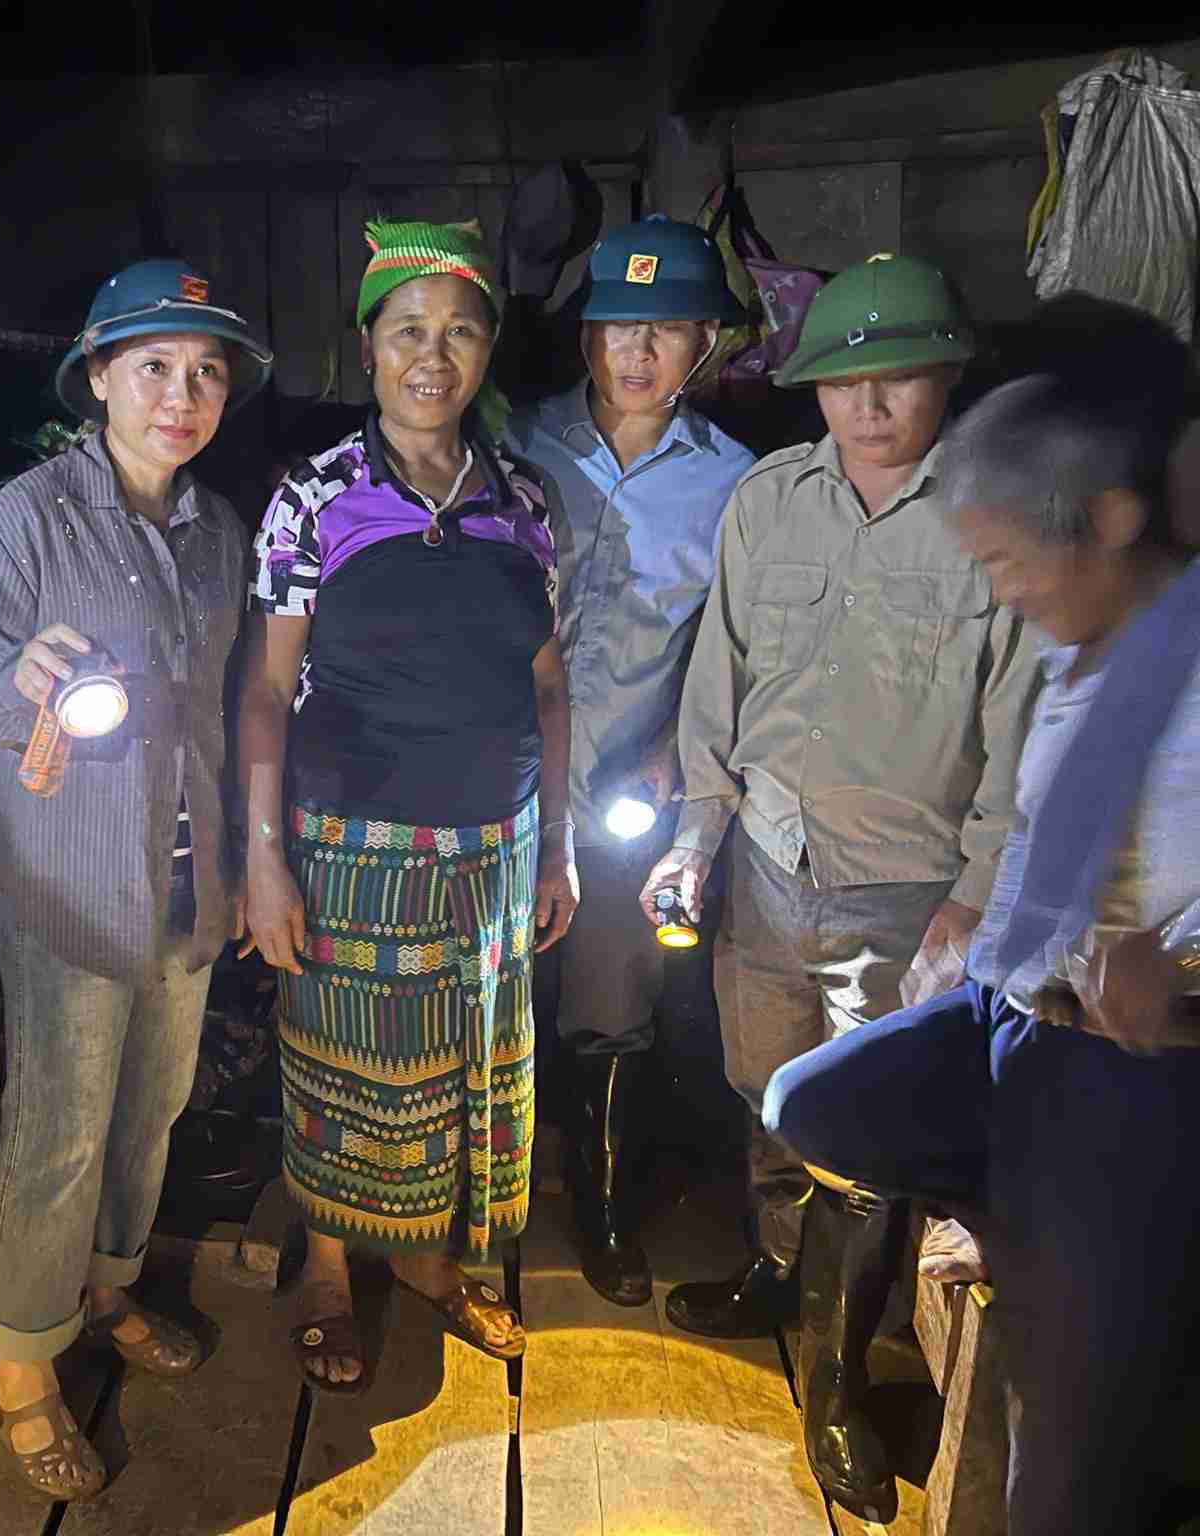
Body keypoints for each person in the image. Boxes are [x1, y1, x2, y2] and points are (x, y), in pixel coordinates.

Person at [765, 357, 1200, 1536]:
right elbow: (1036, 837)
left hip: (1133, 1066)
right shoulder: (1078, 648)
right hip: (1012, 1014)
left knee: (1061, 1461)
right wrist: (982, 948)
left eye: (1009, 562)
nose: (999, 591)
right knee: (813, 1101)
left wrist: (1175, 968)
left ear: (1109, 521)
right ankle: (1003, 1204)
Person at [640, 253, 1038, 1518]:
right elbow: (717, 681)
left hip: (904, 888)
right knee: (766, 1092)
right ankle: (776, 1275)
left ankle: (829, 1384)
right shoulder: (767, 502)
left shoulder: (999, 516)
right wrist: (692, 837)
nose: (868, 406)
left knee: (861, 1141)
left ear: (946, 377)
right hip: (767, 865)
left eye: (899, 378)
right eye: (842, 381)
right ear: (810, 387)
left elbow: (1019, 729)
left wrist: (972, 896)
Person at [0, 258, 270, 1498]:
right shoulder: (28, 517)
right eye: (153, 367)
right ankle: (23, 1365)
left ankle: (107, 1286)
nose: (180, 396)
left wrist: (238, 866)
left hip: (186, 885)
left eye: (205, 373)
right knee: (56, 1130)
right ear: (96, 377)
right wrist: (18, 678)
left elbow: (228, 709)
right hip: (69, 887)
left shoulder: (216, 532)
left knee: (152, 1109)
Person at [241, 218, 576, 1392]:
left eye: (459, 333)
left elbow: (548, 685)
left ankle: (429, 1257)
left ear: (485, 350)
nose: (432, 358)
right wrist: (261, 860)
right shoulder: (315, 497)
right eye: (407, 332)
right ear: (367, 348)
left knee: (457, 1067)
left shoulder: (524, 500)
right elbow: (265, 692)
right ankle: (330, 1272)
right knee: (345, 1068)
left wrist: (556, 848)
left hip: (495, 842)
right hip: (350, 840)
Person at [506, 216, 756, 1306]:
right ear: (585, 339)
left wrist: (666, 751)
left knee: (613, 999)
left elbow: (728, 646)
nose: (637, 351)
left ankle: (603, 1207)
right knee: (483, 990)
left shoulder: (737, 485)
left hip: (622, 786)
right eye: (617, 326)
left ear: (705, 343)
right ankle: (476, 1203)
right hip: (499, 779)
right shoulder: (515, 443)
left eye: (664, 329)